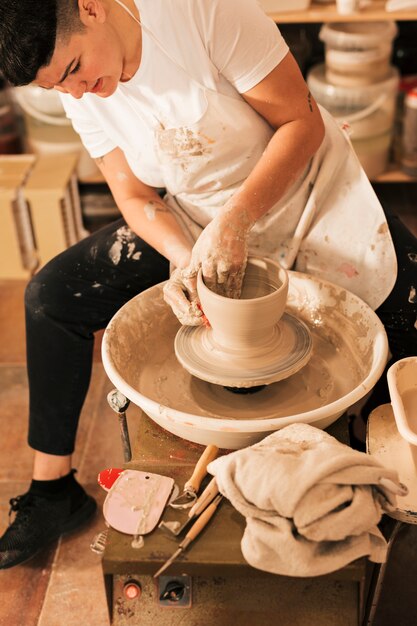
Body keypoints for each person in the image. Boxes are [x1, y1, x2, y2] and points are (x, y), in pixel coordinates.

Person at [0, 0, 415, 570]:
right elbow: (137, 197)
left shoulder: (201, 13)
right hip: (197, 221)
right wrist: (182, 257)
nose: (76, 93)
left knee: (408, 328)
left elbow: (303, 123)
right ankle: (53, 493)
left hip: (309, 195)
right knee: (51, 297)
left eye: (71, 70)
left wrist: (237, 222)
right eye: (56, 89)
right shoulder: (83, 93)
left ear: (91, 9)